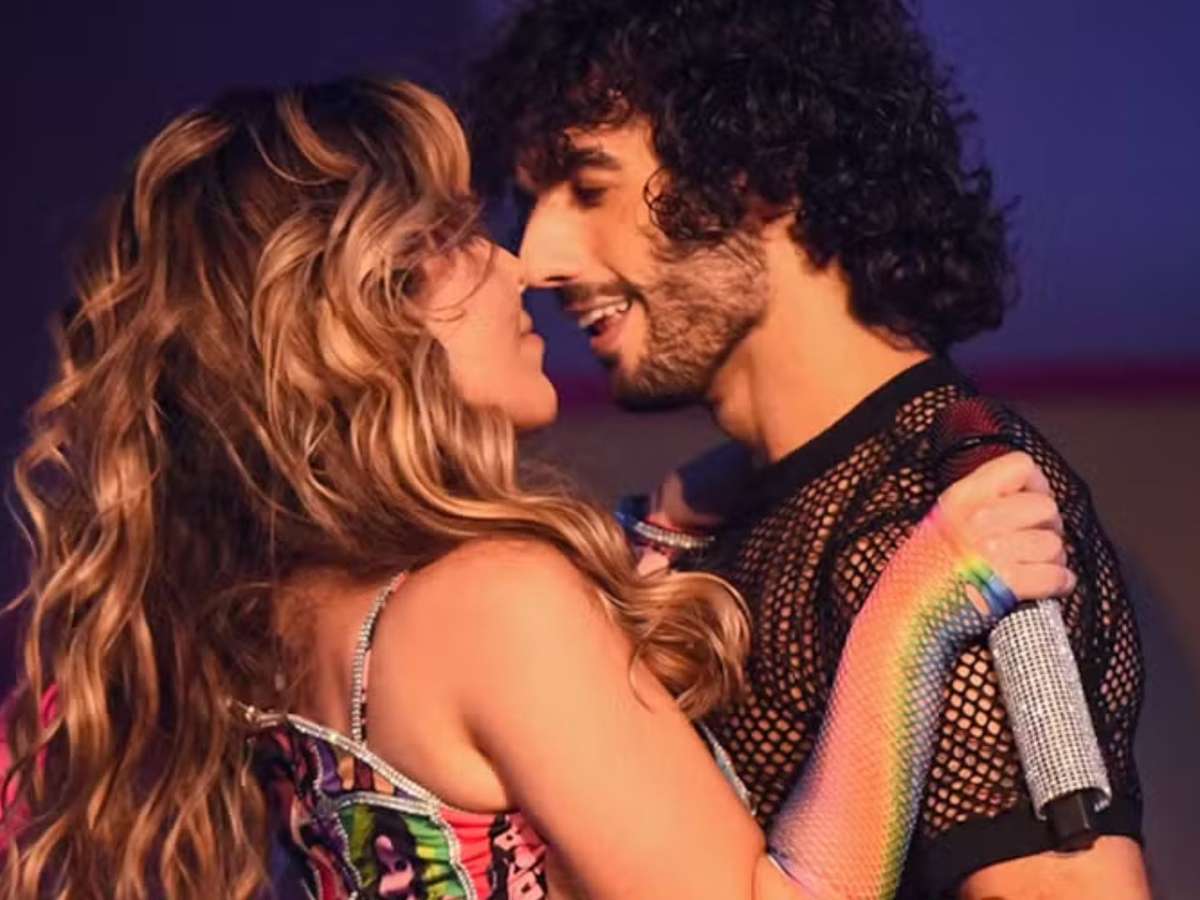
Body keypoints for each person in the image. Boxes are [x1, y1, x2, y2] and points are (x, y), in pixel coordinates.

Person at [0, 77, 1069, 900]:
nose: (517, 267)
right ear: (363, 313)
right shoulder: (498, 602)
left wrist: (669, 523)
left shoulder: (288, 612)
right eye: (454, 237)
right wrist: (918, 609)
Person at [468, 1, 1151, 896]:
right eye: (532, 203)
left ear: (763, 173)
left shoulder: (949, 510)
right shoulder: (722, 511)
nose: (537, 258)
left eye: (589, 188)